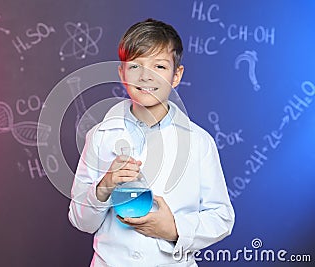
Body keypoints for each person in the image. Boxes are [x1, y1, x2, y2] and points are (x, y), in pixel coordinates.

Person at [68, 18, 235, 267]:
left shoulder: (199, 142)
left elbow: (222, 218)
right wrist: (104, 186)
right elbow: (81, 221)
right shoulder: (100, 135)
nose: (145, 76)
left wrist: (174, 229)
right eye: (135, 66)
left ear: (176, 75)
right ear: (121, 73)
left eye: (159, 66)